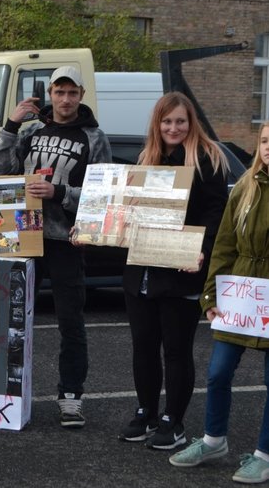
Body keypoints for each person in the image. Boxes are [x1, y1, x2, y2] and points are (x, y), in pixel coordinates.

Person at [0, 66, 111, 428]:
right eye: (59, 92)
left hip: (65, 241)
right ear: (51, 95)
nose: (65, 99)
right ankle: (9, 393)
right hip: (22, 236)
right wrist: (10, 126)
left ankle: (71, 396)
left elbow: (101, 195)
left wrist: (60, 193)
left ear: (80, 96)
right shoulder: (32, 131)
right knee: (13, 320)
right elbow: (3, 174)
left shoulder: (94, 137)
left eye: (71, 93)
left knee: (70, 323)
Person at [119, 93, 228, 449]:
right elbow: (126, 212)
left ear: (190, 121)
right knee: (142, 347)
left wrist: (202, 250)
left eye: (180, 121)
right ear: (157, 124)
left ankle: (173, 421)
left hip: (181, 268)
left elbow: (216, 214)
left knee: (177, 350)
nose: (174, 128)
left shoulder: (209, 159)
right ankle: (146, 411)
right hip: (143, 270)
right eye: (167, 122)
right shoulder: (146, 159)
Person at [169, 122, 269, 483]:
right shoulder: (245, 187)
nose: (268, 146)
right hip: (241, 296)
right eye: (264, 140)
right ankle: (213, 440)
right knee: (218, 371)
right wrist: (211, 294)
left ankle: (264, 455)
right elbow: (225, 244)